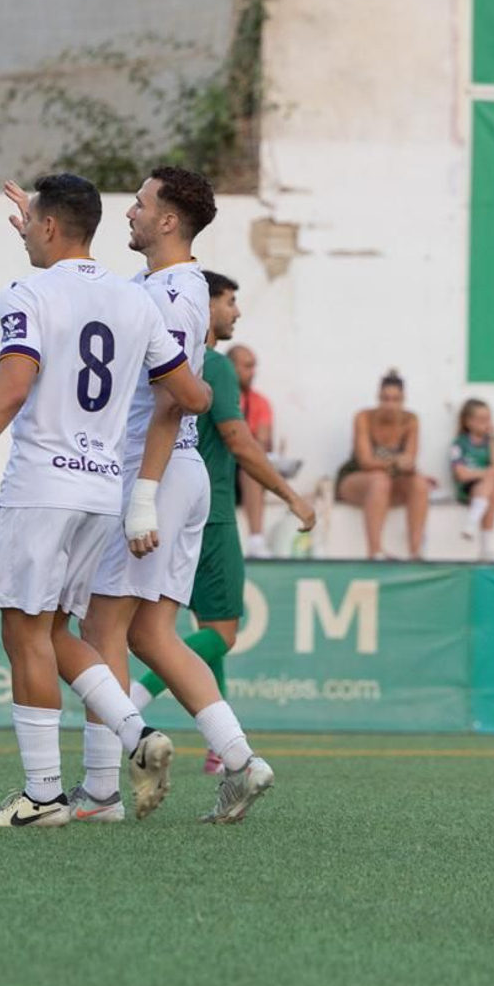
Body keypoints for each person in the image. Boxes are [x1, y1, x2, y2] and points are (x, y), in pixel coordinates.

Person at [0, 173, 212, 828]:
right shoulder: (135, 300)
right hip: (102, 489)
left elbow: (13, 388)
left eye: (32, 222)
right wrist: (205, 396)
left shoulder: (30, 292)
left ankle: (41, 796)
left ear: (47, 226)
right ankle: (136, 732)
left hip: (41, 486)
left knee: (22, 630)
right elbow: (188, 390)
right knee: (55, 631)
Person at [0, 167, 278, 826]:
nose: (130, 212)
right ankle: (239, 759)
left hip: (152, 471)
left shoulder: (176, 290)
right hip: (173, 476)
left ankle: (100, 791)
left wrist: (143, 494)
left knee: (99, 629)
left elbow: (172, 398)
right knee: (153, 632)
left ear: (170, 221)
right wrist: (43, 237)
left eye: (142, 203)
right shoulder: (153, 286)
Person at [130, 271, 316, 778]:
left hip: (157, 500)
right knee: (221, 633)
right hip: (206, 515)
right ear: (205, 304)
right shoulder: (213, 365)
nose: (236, 312)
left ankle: (218, 748)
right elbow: (238, 440)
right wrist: (291, 495)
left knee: (174, 628)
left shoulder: (160, 356)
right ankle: (128, 703)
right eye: (230, 301)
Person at [335, 371, 431, 560]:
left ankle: (416, 552)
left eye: (395, 400)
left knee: (419, 483)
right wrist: (397, 462)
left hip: (389, 484)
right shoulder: (363, 417)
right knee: (380, 481)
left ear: (403, 399)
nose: (389, 405)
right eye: (385, 399)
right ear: (378, 398)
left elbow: (410, 461)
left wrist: (403, 464)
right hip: (356, 481)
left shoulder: (410, 421)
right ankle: (375, 551)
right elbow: (365, 461)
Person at [229, 344, 275, 558]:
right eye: (248, 366)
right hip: (215, 468)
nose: (253, 372)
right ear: (231, 367)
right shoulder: (212, 395)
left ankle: (256, 540)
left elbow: (262, 443)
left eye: (254, 366)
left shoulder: (260, 402)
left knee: (252, 467)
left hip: (241, 470)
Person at [451, 398, 494, 556]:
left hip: (487, 489)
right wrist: (487, 473)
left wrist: (493, 442)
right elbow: (461, 474)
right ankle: (482, 541)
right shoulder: (460, 443)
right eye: (481, 419)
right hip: (468, 489)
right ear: (468, 422)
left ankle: (479, 540)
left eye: (488, 419)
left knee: (493, 490)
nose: (486, 423)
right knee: (490, 480)